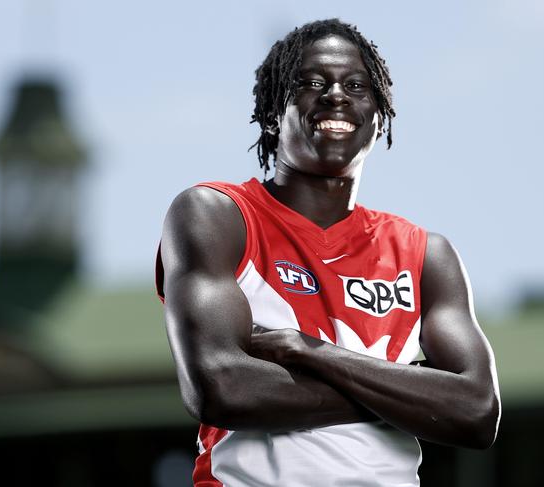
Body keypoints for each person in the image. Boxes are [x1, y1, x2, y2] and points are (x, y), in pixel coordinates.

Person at [155, 18, 501, 487]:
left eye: (356, 85)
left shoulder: (426, 255)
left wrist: (311, 352)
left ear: (378, 117)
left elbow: (477, 412)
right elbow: (222, 388)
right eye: (312, 82)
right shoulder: (217, 216)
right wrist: (407, 390)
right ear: (276, 113)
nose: (336, 94)